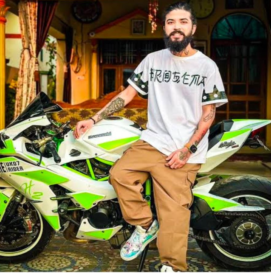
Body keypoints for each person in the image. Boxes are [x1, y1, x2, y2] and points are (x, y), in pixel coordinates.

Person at [74, 1, 228, 271]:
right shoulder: (153, 60)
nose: (176, 28)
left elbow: (208, 113)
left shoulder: (206, 66)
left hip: (183, 146)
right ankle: (145, 225)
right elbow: (127, 95)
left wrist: (187, 150)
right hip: (153, 140)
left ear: (192, 27)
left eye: (182, 22)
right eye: (171, 23)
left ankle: (172, 265)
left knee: (174, 211)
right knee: (119, 174)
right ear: (165, 29)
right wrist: (93, 118)